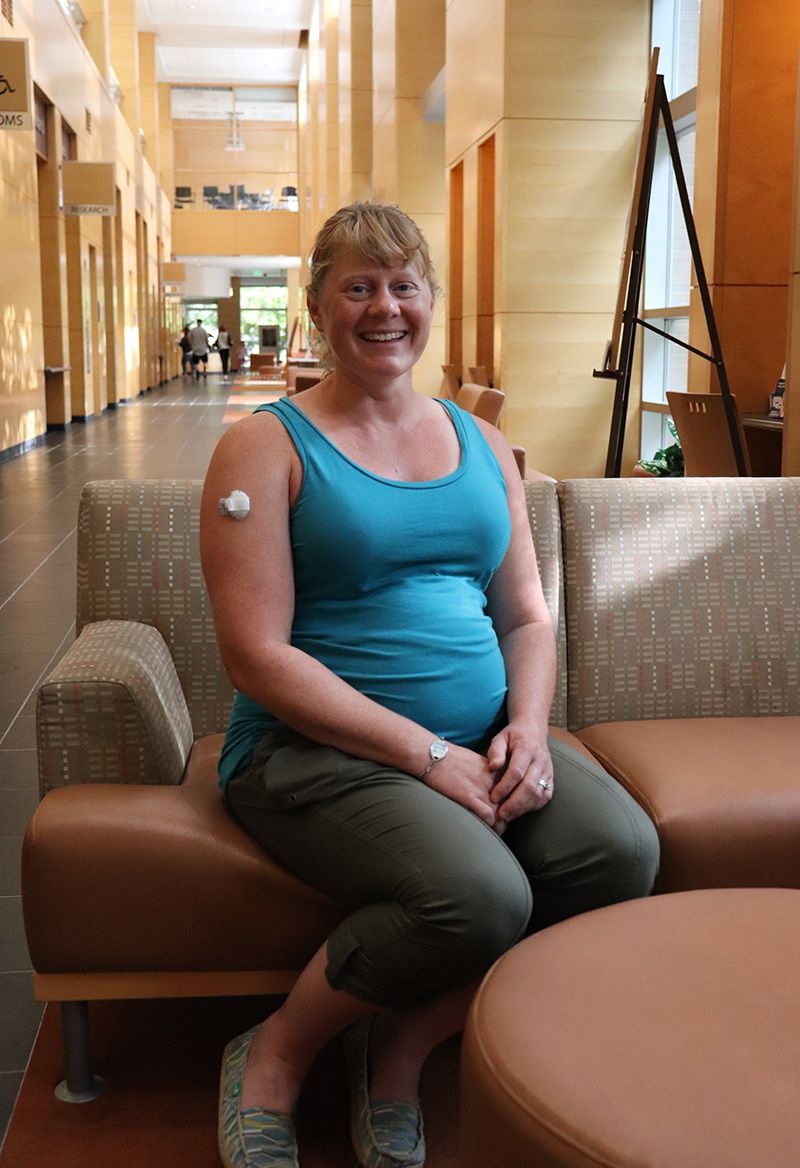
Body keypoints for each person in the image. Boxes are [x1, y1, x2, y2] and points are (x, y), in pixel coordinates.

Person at [200, 201, 659, 1168]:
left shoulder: (482, 444)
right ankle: (275, 1056)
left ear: (429, 302)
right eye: (358, 286)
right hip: (309, 754)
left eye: (403, 285)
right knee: (478, 895)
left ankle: (402, 1044)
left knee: (620, 853)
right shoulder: (265, 446)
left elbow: (528, 613)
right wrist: (429, 755)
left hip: (478, 735)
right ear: (319, 305)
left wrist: (528, 731)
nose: (384, 307)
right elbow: (258, 656)